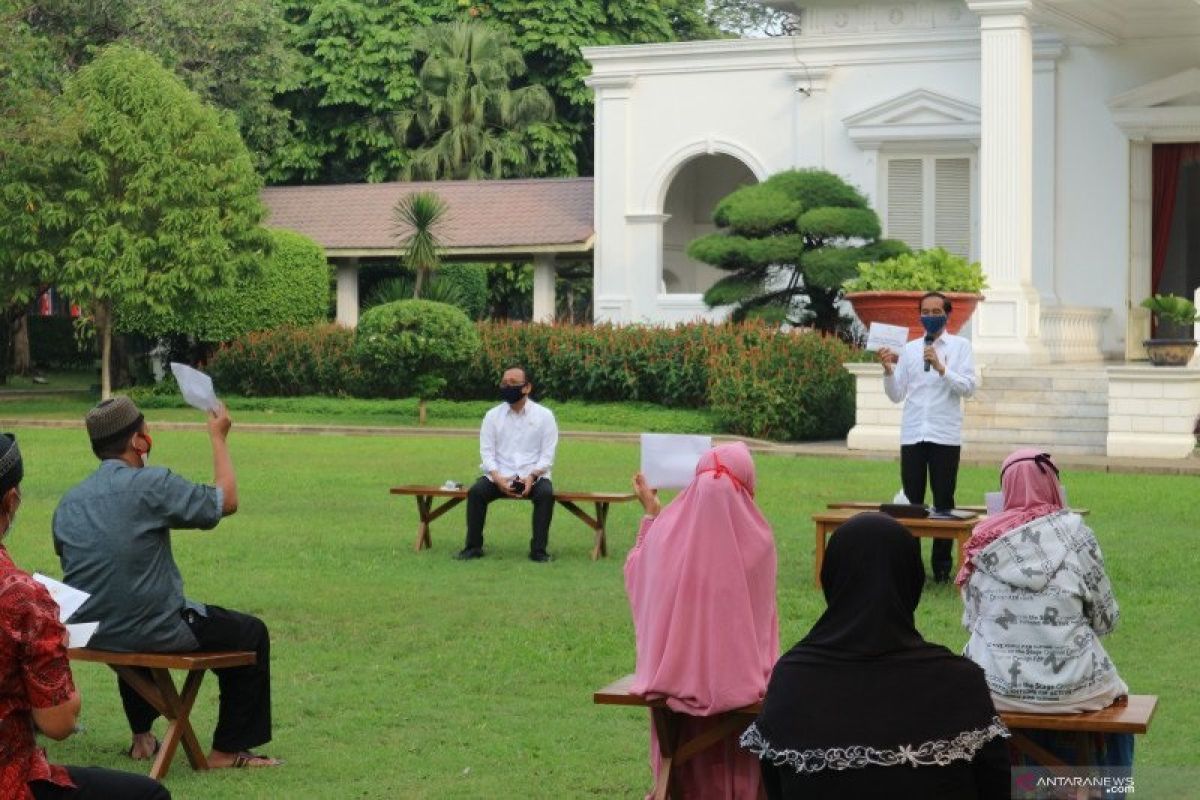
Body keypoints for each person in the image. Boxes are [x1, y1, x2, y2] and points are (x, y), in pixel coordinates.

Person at [52, 396, 280, 769]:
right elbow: (227, 500)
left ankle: (142, 736)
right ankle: (227, 751)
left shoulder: (70, 502)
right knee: (251, 633)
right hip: (148, 627)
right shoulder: (150, 483)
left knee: (128, 609)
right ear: (138, 442)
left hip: (93, 632)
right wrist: (218, 438)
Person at [742, 513, 1009, 800]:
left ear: (833, 577)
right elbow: (997, 785)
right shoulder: (960, 682)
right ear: (911, 579)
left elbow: (776, 787)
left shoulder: (793, 678)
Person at [0, 433, 171, 800]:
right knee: (150, 796)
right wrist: (56, 657)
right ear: (11, 500)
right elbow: (59, 722)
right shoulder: (22, 598)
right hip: (9, 781)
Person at [958, 449, 1134, 769]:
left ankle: (1023, 785)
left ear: (1005, 490)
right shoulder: (1077, 534)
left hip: (995, 689)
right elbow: (1106, 620)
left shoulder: (981, 542)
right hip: (1077, 688)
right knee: (1121, 720)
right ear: (1054, 486)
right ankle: (1099, 790)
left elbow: (971, 621)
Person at [625, 442, 778, 798]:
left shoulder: (666, 537)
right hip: (742, 693)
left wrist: (651, 516)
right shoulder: (760, 542)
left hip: (673, 690)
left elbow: (637, 573)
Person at [878, 291, 977, 582]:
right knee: (911, 503)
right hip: (913, 435)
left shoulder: (961, 347)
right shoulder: (909, 350)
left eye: (936, 312)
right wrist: (887, 370)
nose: (930, 317)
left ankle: (942, 568)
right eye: (925, 311)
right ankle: (909, 566)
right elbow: (897, 394)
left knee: (944, 502)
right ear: (918, 314)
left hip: (944, 435)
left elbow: (969, 388)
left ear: (948, 314)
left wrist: (942, 368)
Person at [456, 366, 559, 563]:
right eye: (504, 383)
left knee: (546, 494)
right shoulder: (492, 416)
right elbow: (487, 453)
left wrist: (532, 477)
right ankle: (473, 547)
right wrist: (497, 478)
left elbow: (547, 455)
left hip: (534, 476)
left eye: (513, 383)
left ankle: (539, 551)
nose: (507, 387)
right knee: (476, 492)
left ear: (527, 387)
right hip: (499, 476)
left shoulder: (545, 416)